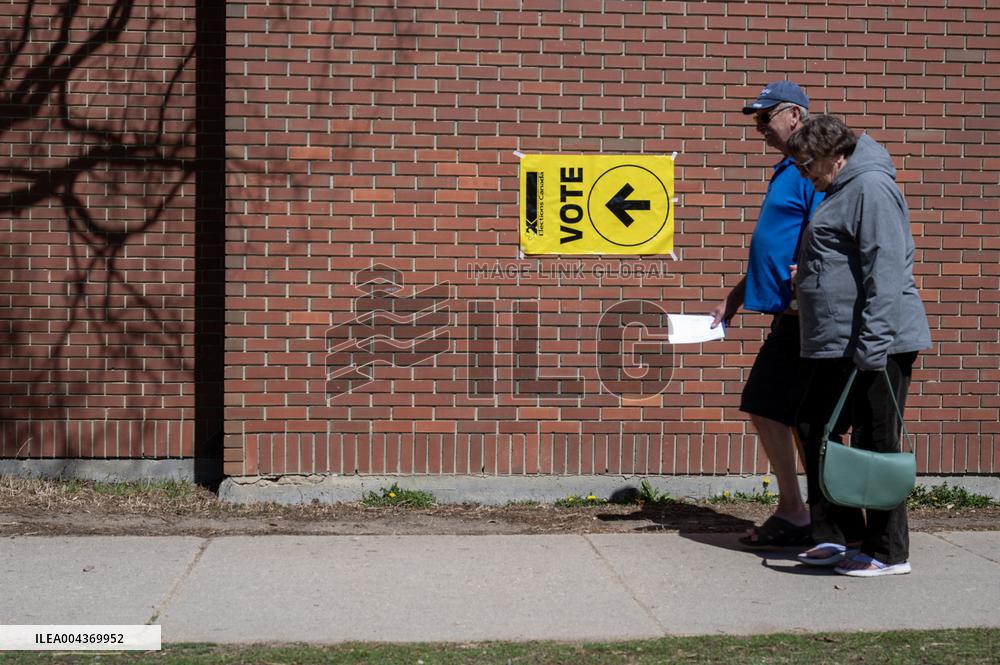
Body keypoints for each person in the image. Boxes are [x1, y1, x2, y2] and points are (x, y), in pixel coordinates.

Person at [787, 114, 932, 577]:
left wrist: (873, 344)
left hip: (875, 343)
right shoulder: (841, 189)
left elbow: (885, 269)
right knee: (814, 426)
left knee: (876, 441)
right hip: (840, 343)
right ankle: (840, 535)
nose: (804, 174)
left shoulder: (870, 187)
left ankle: (888, 551)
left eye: (807, 164)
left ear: (835, 153)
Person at [710, 81, 824, 547]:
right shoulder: (787, 169)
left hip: (804, 317)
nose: (759, 127)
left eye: (765, 117)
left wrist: (813, 270)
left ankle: (805, 513)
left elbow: (825, 229)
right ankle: (809, 513)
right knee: (782, 412)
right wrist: (735, 298)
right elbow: (773, 248)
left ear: (795, 116)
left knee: (771, 406)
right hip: (789, 315)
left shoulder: (811, 170)